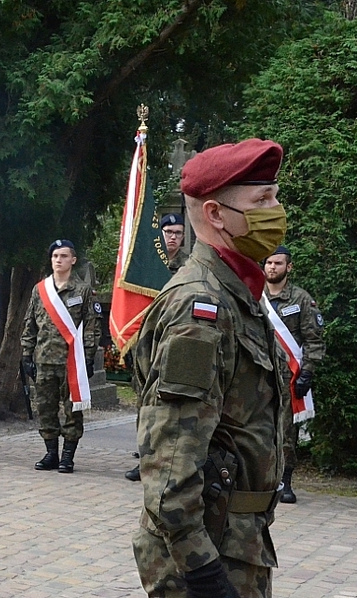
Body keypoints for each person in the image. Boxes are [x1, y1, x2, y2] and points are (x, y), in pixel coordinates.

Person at [132, 138, 288, 598]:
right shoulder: (201, 308)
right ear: (216, 214)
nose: (276, 210)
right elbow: (170, 457)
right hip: (206, 556)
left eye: (274, 197)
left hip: (237, 542)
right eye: (262, 200)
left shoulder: (238, 294)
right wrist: (203, 574)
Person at [21, 240, 100, 472]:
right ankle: (51, 453)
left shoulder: (83, 290)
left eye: (64, 256)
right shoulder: (40, 289)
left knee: (72, 410)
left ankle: (68, 455)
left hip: (71, 362)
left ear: (73, 260)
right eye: (55, 256)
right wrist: (26, 354)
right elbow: (30, 323)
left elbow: (92, 326)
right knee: (45, 408)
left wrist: (87, 357)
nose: (58, 260)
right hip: (44, 359)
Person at [126, 213, 190, 482]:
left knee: (171, 405)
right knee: (145, 403)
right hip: (145, 344)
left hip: (173, 343)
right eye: (167, 232)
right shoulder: (146, 267)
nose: (172, 237)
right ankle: (145, 458)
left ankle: (169, 461)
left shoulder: (189, 266)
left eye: (177, 233)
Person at [263, 245, 325, 504]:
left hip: (288, 377)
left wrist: (306, 373)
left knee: (285, 431)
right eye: (268, 263)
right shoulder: (254, 295)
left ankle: (285, 482)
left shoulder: (301, 300)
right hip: (258, 374)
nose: (272, 267)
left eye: (278, 263)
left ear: (288, 267)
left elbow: (314, 339)